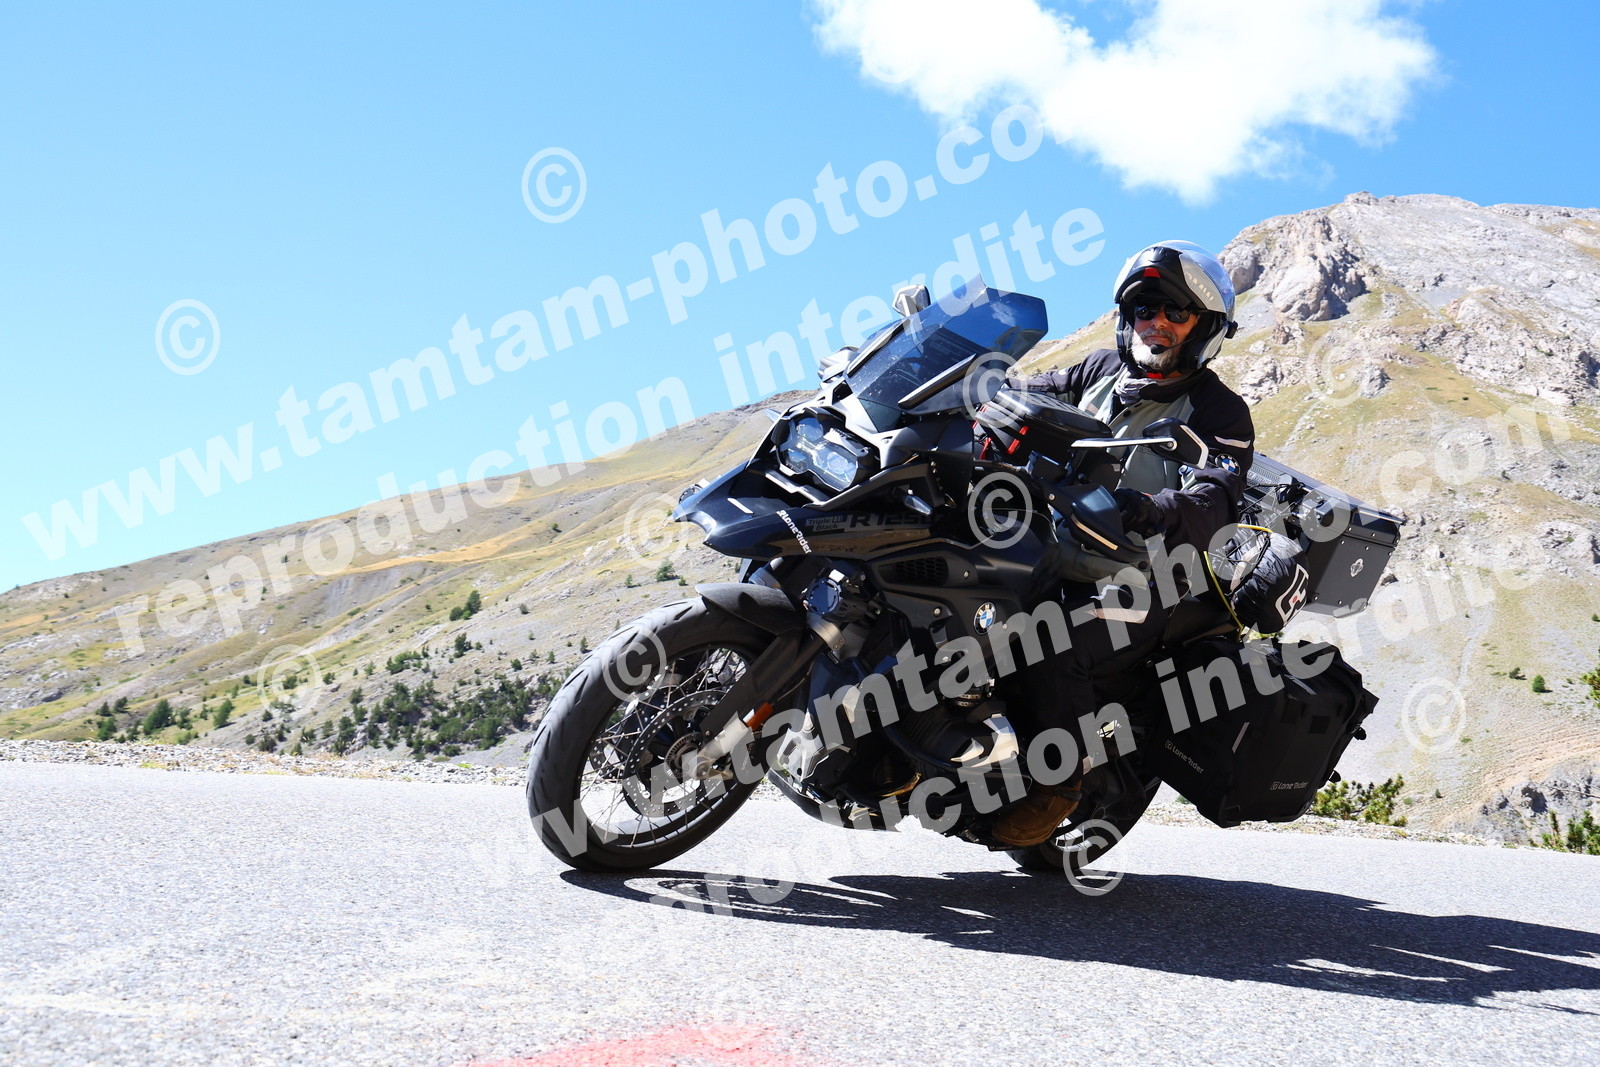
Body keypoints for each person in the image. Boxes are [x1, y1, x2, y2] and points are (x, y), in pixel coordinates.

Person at [990, 240, 1258, 847]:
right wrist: (972, 388)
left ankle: (1057, 786)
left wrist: (1154, 508)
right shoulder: (1097, 370)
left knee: (1049, 637)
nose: (1156, 322)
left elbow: (1216, 496)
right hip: (1048, 544)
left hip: (1139, 577)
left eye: (1175, 312)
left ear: (1204, 328)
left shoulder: (1219, 411)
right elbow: (1026, 395)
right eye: (1144, 309)